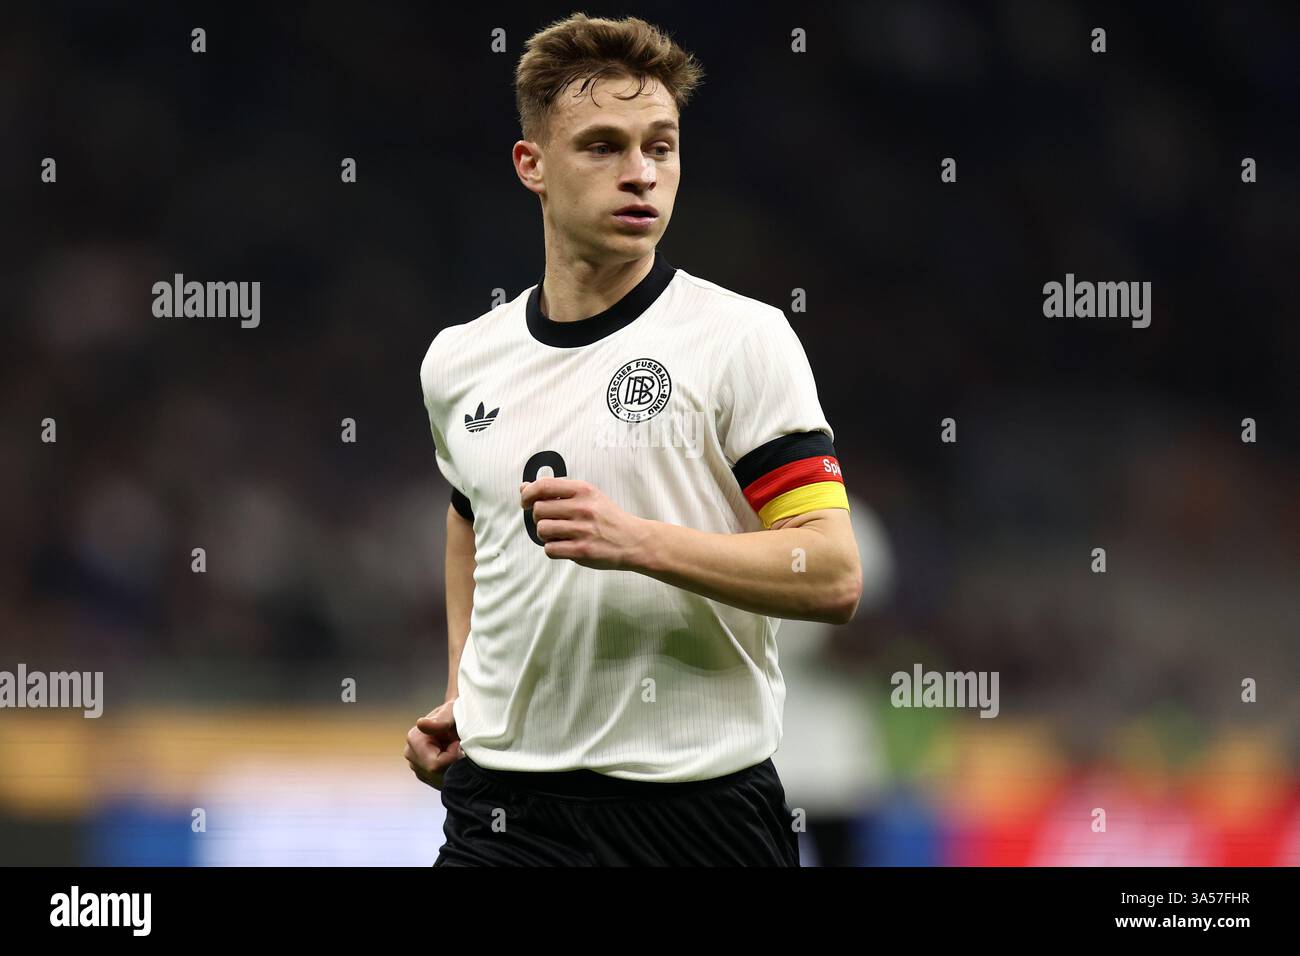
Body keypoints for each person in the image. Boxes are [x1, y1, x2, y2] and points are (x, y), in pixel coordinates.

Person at [405, 12, 861, 866]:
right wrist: (465, 687)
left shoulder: (740, 341)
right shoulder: (460, 361)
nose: (641, 174)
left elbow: (831, 571)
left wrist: (639, 541)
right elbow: (471, 520)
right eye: (605, 147)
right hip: (506, 818)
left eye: (662, 145)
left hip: (699, 819)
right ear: (531, 165)